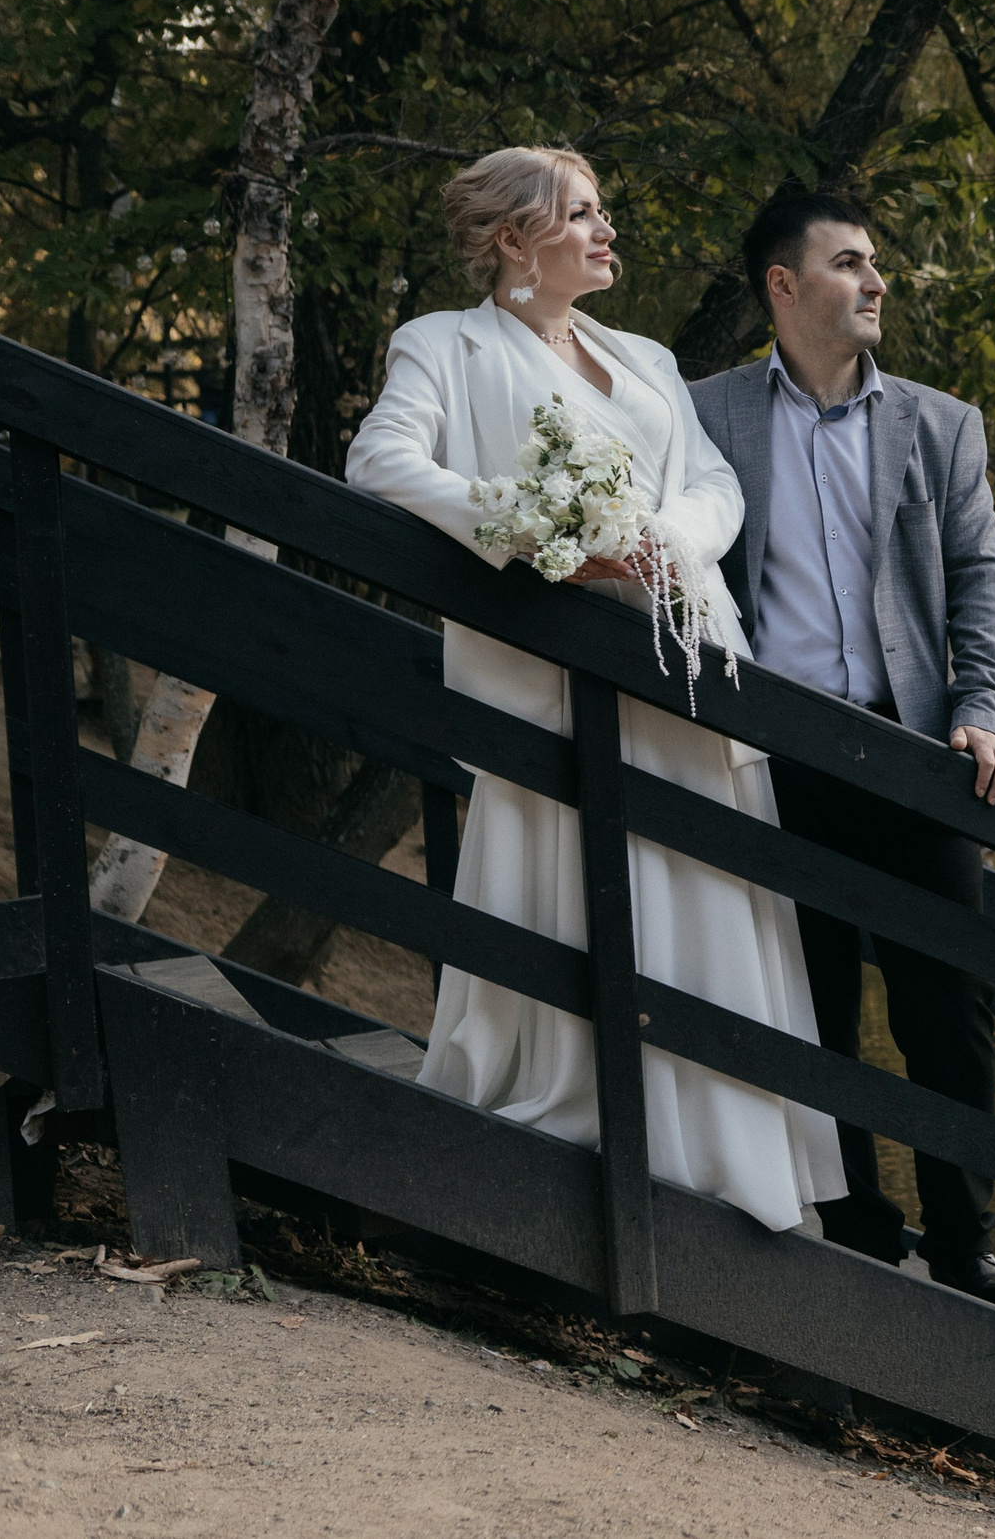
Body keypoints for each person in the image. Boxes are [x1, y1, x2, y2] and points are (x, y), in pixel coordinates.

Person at [346, 146, 846, 1235]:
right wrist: (545, 537)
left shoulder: (648, 356)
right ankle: (592, 1133)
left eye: (603, 210)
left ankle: (722, 1153)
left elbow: (713, 482)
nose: (606, 230)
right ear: (515, 237)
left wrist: (658, 541)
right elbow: (381, 462)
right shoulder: (442, 345)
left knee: (698, 887)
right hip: (555, 677)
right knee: (584, 891)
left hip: (687, 662)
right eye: (582, 214)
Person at [686, 190, 995, 1308]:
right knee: (807, 991)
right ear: (782, 286)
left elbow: (982, 578)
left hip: (915, 750)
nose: (876, 280)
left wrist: (985, 707)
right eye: (849, 262)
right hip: (774, 747)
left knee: (948, 1002)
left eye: (875, 262)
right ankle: (854, 1216)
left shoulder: (941, 425)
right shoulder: (705, 416)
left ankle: (964, 1235)